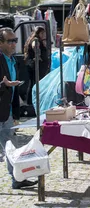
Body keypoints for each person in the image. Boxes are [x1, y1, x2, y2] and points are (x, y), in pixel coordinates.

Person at [0, 27, 37, 189]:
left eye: (15, 40)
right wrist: (3, 84)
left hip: (6, 112)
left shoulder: (12, 60)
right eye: (10, 41)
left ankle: (17, 179)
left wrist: (15, 114)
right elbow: (7, 85)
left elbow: (13, 91)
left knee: (11, 147)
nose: (14, 44)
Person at [24, 26, 50, 106]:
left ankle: (31, 101)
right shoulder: (36, 40)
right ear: (38, 33)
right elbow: (35, 46)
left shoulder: (36, 39)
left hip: (34, 65)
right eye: (42, 33)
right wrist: (38, 56)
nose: (44, 34)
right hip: (36, 66)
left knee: (33, 83)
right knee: (35, 84)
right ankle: (32, 102)